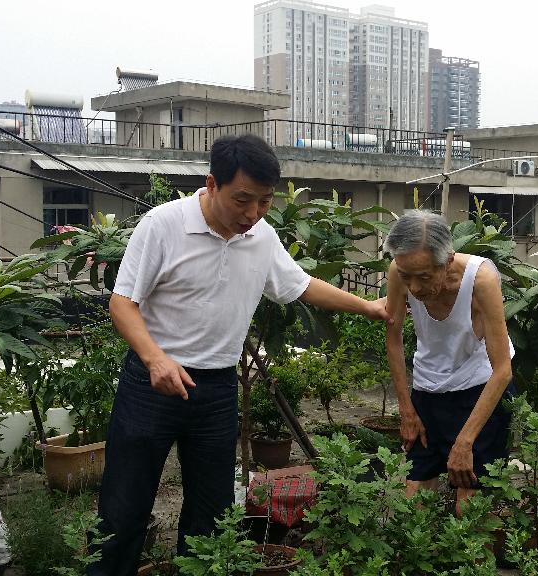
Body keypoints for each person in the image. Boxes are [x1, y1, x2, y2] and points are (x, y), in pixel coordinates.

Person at [90, 134, 390, 575]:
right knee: (124, 506)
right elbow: (123, 302)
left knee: (210, 513)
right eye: (243, 200)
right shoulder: (163, 225)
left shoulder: (261, 236)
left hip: (216, 389)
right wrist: (155, 358)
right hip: (151, 385)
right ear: (212, 184)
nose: (253, 213)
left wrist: (367, 307)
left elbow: (300, 285)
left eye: (265, 202)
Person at [383, 209, 514, 507]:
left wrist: (465, 441)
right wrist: (406, 410)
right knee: (414, 503)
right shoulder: (399, 269)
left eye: (424, 277)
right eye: (406, 277)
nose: (414, 288)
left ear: (448, 261)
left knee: (469, 508)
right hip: (428, 389)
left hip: (479, 391)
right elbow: (394, 339)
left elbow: (502, 370)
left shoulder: (481, 279)